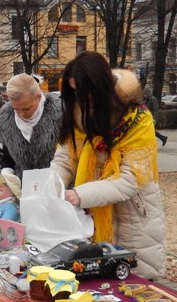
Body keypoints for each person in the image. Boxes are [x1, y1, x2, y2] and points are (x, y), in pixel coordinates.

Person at [50, 51, 166, 280]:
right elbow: (65, 159)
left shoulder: (137, 118)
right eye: (75, 92)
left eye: (84, 93)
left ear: (100, 87)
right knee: (97, 282)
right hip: (92, 211)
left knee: (132, 281)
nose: (81, 100)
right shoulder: (78, 114)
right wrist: (49, 186)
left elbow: (129, 180)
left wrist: (79, 195)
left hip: (132, 219)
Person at [0, 73, 62, 178]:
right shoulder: (6, 121)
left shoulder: (61, 116)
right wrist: (7, 177)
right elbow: (7, 158)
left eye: (26, 108)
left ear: (38, 97)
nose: (21, 114)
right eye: (16, 109)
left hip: (58, 182)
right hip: (23, 185)